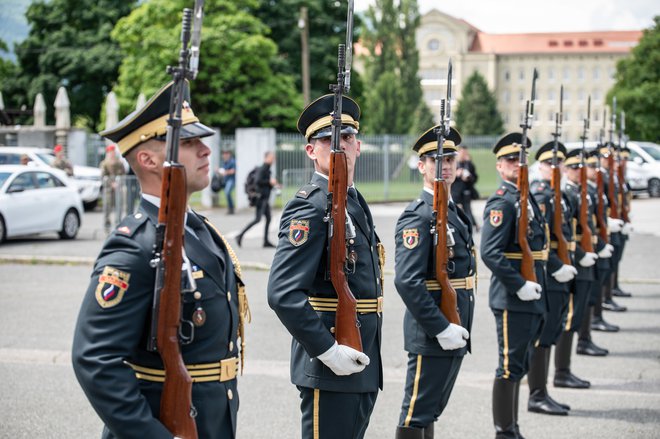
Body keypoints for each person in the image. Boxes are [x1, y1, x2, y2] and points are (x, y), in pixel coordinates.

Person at [72, 81, 248, 439]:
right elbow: (95, 360)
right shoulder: (134, 248)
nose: (205, 150)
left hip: (211, 419)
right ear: (148, 160)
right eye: (188, 142)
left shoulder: (201, 229)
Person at [267, 94, 385, 439]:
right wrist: (327, 350)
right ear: (310, 151)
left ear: (358, 146)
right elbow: (282, 293)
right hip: (331, 358)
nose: (340, 146)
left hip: (362, 352)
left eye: (347, 138)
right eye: (328, 140)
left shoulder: (353, 199)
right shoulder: (310, 207)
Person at [394, 127, 475, 439]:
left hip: (452, 323)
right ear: (421, 165)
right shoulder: (418, 216)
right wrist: (441, 327)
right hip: (433, 330)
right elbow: (408, 281)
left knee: (430, 410)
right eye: (435, 159)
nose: (444, 165)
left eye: (450, 159)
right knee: (416, 413)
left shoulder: (450, 210)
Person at [480, 133, 548, 439]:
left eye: (521, 159)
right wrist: (519, 284)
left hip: (529, 294)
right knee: (509, 367)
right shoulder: (502, 202)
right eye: (510, 160)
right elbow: (490, 252)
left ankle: (513, 427)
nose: (517, 164)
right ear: (499, 165)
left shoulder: (525, 196)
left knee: (519, 365)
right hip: (511, 298)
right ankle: (504, 431)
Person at [526, 142, 577, 416]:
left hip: (558, 273)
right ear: (541, 166)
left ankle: (542, 391)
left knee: (550, 333)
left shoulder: (556, 194)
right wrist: (557, 266)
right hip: (549, 274)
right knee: (543, 336)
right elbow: (541, 242)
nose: (555, 168)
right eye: (550, 164)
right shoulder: (541, 195)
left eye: (558, 163)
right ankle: (537, 394)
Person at [555, 148, 601, 390]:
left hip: (581, 257)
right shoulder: (565, 193)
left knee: (577, 314)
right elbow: (565, 233)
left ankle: (566, 369)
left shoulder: (580, 193)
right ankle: (561, 372)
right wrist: (581, 256)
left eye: (579, 168)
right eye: (572, 167)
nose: (576, 171)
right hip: (574, 260)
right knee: (570, 318)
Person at [577, 148, 615, 353]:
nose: (593, 169)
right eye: (589, 165)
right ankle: (584, 339)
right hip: (584, 250)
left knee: (594, 289)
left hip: (593, 246)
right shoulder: (578, 191)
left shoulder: (590, 190)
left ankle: (587, 335)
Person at [235, 151, 279, 247]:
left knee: (268, 218)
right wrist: (269, 182)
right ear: (266, 158)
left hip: (265, 199)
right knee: (257, 219)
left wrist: (274, 184)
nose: (273, 159)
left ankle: (265, 241)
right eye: (271, 157)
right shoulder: (263, 168)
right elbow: (258, 181)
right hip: (261, 198)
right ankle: (240, 235)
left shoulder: (267, 169)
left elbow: (266, 184)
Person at [451, 145, 479, 230]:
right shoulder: (453, 164)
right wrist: (456, 174)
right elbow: (448, 179)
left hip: (466, 191)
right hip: (456, 192)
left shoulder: (469, 164)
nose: (464, 155)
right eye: (462, 152)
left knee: (468, 210)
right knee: (456, 210)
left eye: (465, 153)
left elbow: (475, 178)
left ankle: (470, 227)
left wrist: (469, 177)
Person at [99, 144, 126, 232]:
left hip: (118, 188)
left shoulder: (119, 163)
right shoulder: (104, 164)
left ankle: (118, 223)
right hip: (108, 189)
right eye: (110, 153)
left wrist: (118, 183)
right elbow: (103, 176)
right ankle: (107, 224)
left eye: (113, 152)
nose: (112, 154)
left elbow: (123, 174)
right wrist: (111, 183)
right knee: (107, 207)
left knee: (119, 206)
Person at [221, 149, 236, 214]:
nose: (225, 155)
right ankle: (230, 208)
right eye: (224, 154)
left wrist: (225, 172)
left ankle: (231, 208)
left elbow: (233, 171)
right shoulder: (224, 162)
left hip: (231, 180)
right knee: (227, 193)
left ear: (229, 154)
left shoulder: (232, 161)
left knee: (227, 192)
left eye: (226, 154)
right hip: (226, 180)